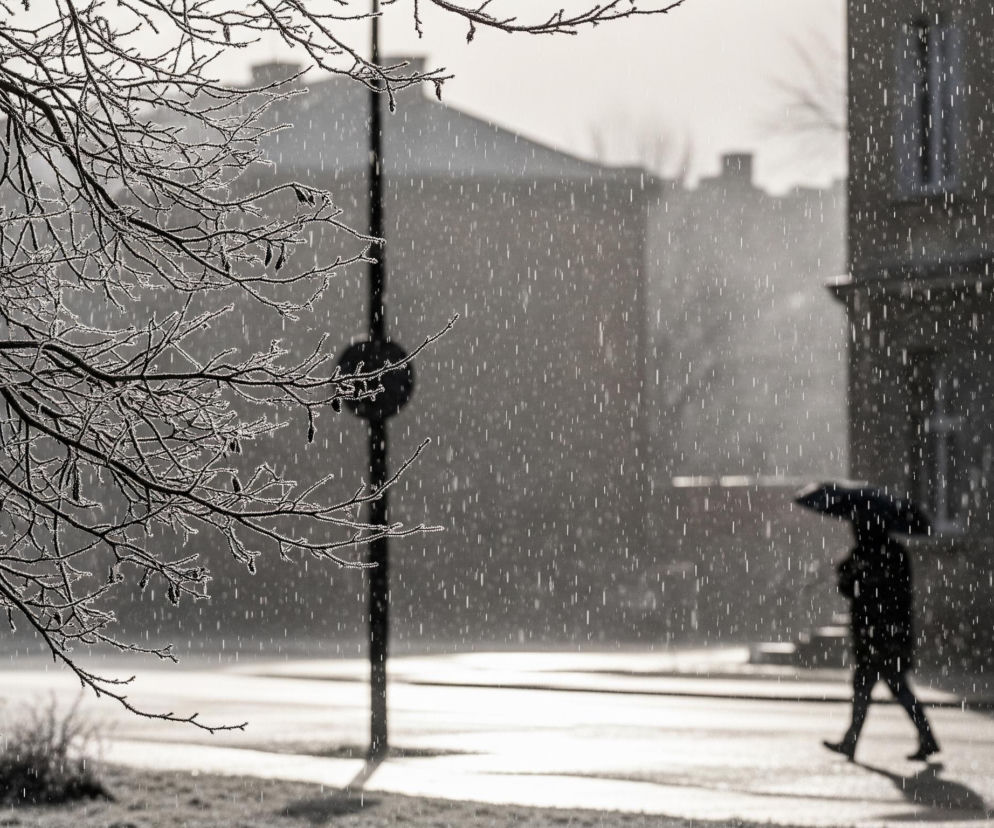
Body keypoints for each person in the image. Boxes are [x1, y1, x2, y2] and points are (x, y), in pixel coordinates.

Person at [823, 518, 939, 762]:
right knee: (880, 689)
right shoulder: (889, 553)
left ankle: (853, 741)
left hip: (879, 636)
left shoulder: (874, 555)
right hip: (885, 635)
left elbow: (860, 590)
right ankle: (854, 740)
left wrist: (851, 572)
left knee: (882, 689)